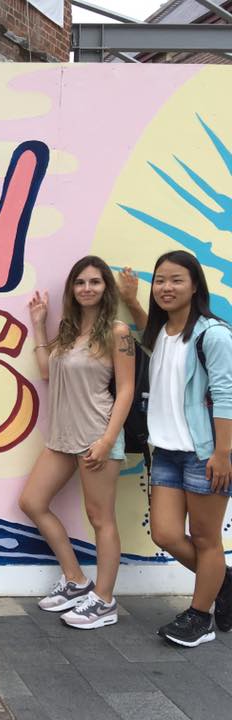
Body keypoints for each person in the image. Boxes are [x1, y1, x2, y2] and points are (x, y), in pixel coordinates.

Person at [119, 253, 232, 647]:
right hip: (166, 451)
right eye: (161, 280)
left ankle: (200, 618)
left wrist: (222, 453)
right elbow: (151, 331)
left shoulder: (213, 334)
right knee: (166, 534)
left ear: (196, 285)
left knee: (205, 539)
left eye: (176, 280)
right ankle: (223, 580)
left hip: (206, 454)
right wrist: (132, 301)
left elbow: (225, 394)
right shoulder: (163, 332)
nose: (166, 287)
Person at [21, 255, 135, 629]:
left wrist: (106, 440)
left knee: (101, 519)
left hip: (96, 436)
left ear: (107, 289)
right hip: (63, 436)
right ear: (73, 288)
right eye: (80, 282)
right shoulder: (69, 333)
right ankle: (75, 579)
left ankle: (104, 600)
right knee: (32, 502)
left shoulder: (117, 332)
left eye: (95, 282)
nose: (87, 288)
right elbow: (45, 372)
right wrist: (39, 326)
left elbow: (127, 390)